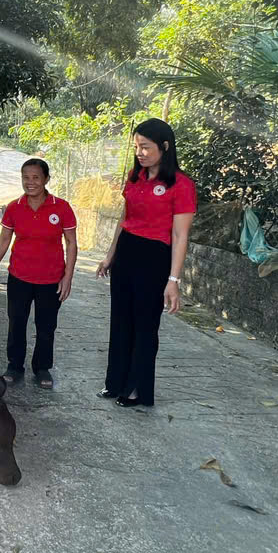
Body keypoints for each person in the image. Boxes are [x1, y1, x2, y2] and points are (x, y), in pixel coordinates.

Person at [96, 119, 196, 407]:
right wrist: (110, 255)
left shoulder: (181, 184)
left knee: (145, 324)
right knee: (120, 320)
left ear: (164, 147)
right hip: (127, 251)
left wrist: (173, 280)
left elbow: (180, 235)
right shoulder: (134, 177)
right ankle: (115, 383)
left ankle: (137, 389)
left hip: (154, 258)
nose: (140, 152)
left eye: (146, 147)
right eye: (137, 147)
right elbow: (124, 219)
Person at [0, 158, 77, 389]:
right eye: (26, 177)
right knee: (16, 322)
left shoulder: (62, 207)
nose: (30, 182)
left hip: (51, 280)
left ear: (46, 179)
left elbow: (71, 243)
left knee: (46, 326)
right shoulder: (15, 207)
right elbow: (4, 239)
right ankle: (15, 365)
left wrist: (68, 277)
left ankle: (42, 367)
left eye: (36, 177)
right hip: (19, 278)